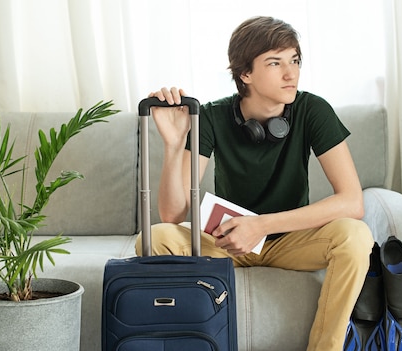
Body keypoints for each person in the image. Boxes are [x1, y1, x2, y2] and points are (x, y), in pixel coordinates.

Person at [136, 16, 374, 351]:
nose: (291, 73)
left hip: (292, 241)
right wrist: (174, 146)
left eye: (295, 61)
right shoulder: (212, 117)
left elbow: (352, 202)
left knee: (355, 235)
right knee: (156, 238)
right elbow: (172, 214)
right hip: (228, 241)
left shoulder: (312, 110)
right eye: (276, 63)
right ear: (245, 73)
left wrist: (260, 225)